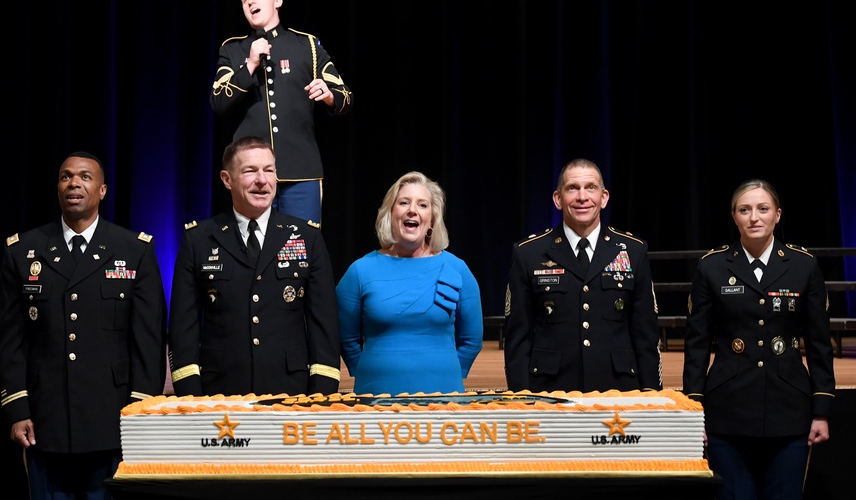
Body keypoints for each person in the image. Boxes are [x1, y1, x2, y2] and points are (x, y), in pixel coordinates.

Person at [0, 151, 167, 500]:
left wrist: (138, 412)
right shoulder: (24, 250)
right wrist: (18, 407)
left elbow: (149, 341)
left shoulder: (133, 250)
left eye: (85, 177)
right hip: (46, 417)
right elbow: (10, 339)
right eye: (66, 177)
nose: (75, 184)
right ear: (58, 188)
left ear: (102, 190)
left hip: (109, 415)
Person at [683, 178, 835, 500]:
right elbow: (696, 345)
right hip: (728, 412)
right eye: (744, 210)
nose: (754, 217)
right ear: (734, 217)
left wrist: (822, 409)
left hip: (790, 411)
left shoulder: (803, 266)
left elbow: (819, 344)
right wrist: (695, 409)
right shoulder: (713, 267)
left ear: (777, 215)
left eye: (763, 209)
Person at [168, 135, 341, 396]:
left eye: (269, 170)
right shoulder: (199, 239)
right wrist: (190, 394)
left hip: (291, 393)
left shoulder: (307, 237)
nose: (262, 180)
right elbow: (184, 326)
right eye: (250, 171)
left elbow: (323, 325)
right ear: (227, 179)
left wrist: (322, 394)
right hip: (220, 393)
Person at [503, 158, 662, 393]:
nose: (582, 197)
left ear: (604, 197)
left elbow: (646, 335)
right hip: (549, 392)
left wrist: (651, 396)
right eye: (572, 188)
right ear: (558, 199)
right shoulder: (528, 252)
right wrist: (521, 398)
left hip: (618, 391)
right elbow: (517, 339)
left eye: (591, 187)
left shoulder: (633, 250)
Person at [209, 0, 353, 226]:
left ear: (277, 1)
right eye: (244, 0)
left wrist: (330, 96)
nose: (250, 2)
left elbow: (346, 96)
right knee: (251, 249)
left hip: (301, 170)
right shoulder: (233, 49)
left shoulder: (306, 45)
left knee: (300, 250)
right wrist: (250, 64)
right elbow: (219, 101)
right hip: (250, 172)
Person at [336, 171, 483, 395]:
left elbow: (472, 339)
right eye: (404, 202)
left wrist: (448, 372)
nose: (412, 210)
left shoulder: (458, 269)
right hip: (375, 397)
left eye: (422, 205)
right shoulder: (360, 270)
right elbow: (346, 337)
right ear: (391, 213)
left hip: (444, 399)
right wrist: (367, 371)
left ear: (432, 218)